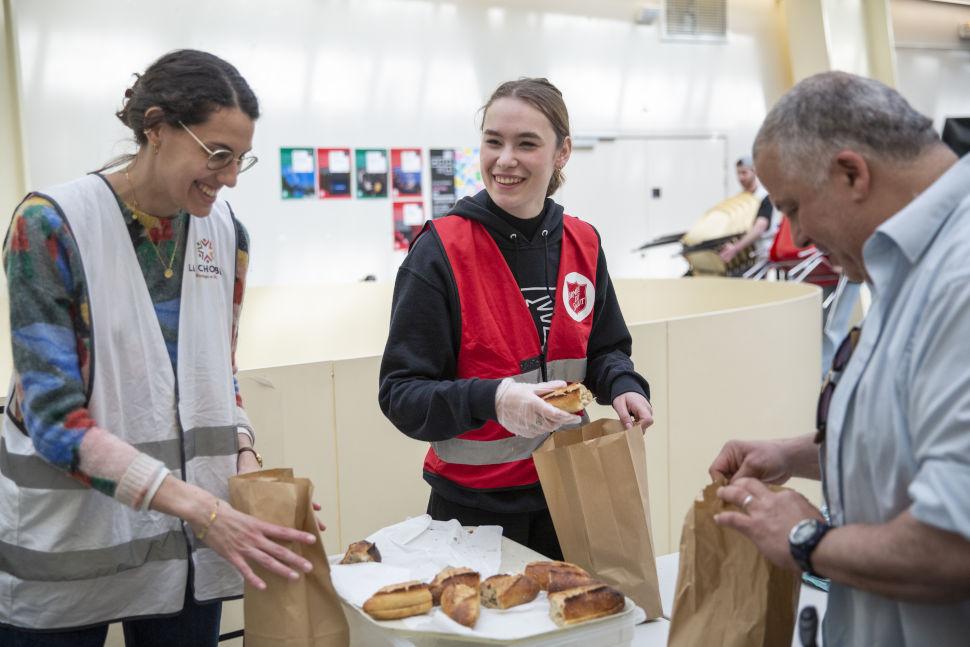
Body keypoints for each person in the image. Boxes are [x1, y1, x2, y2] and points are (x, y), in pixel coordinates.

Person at [0, 50, 318, 645]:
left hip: (186, 551)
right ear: (156, 128)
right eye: (216, 154)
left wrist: (247, 463)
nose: (226, 178)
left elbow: (217, 377)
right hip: (72, 545)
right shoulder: (51, 225)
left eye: (240, 161)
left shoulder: (227, 235)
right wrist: (206, 509)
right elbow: (53, 421)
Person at [709, 71, 970, 646]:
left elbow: (953, 544)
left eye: (795, 207)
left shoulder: (960, 276)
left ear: (852, 172)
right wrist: (797, 454)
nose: (798, 237)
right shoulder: (906, 263)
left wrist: (805, 539)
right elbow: (914, 435)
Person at [378, 78, 653, 560]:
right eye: (493, 141)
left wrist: (624, 383)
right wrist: (495, 399)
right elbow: (401, 394)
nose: (505, 159)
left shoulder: (583, 242)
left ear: (562, 152)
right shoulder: (440, 252)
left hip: (573, 491)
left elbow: (604, 348)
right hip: (472, 509)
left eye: (526, 143)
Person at [718, 156, 775, 264]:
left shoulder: (763, 197)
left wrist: (736, 248)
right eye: (738, 173)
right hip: (743, 256)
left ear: (754, 172)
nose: (740, 177)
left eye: (744, 173)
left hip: (762, 252)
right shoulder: (740, 199)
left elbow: (760, 227)